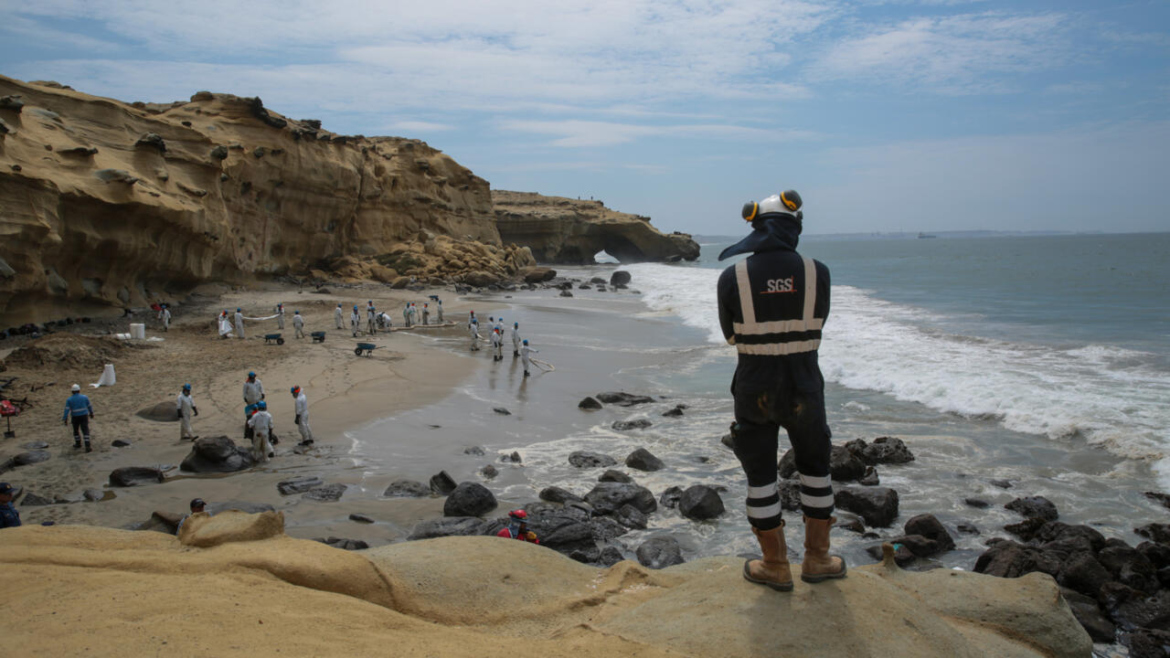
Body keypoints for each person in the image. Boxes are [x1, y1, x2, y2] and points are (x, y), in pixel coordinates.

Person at [716, 189, 844, 592]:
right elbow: (818, 320)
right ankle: (819, 558)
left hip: (754, 389)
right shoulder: (817, 272)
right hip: (805, 386)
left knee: (761, 476)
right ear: (795, 228)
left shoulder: (731, 277)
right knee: (816, 470)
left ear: (756, 229)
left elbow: (731, 334)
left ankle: (775, 565)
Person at [62, 383, 95, 452]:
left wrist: (65, 418)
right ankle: (87, 445)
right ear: (79, 390)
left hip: (75, 417)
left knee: (76, 430)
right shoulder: (85, 397)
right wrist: (91, 413)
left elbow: (67, 409)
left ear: (72, 391)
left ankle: (78, 443)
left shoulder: (69, 400)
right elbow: (89, 406)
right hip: (84, 416)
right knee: (85, 430)